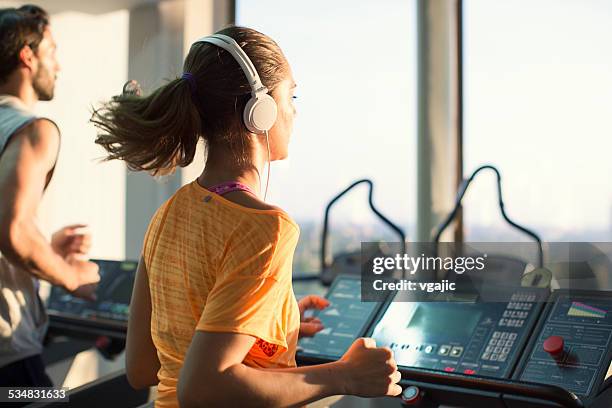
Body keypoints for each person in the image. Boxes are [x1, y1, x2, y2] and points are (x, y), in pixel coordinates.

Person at [91, 26, 401, 407]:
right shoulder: (267, 228)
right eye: (292, 95)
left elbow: (142, 368)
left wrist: (274, 323)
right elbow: (204, 388)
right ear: (261, 109)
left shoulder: (168, 215)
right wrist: (345, 375)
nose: (295, 111)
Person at [0, 4, 100, 387]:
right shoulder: (35, 130)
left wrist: (47, 248)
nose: (57, 65)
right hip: (9, 350)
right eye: (52, 51)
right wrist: (72, 276)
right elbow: (13, 234)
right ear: (28, 56)